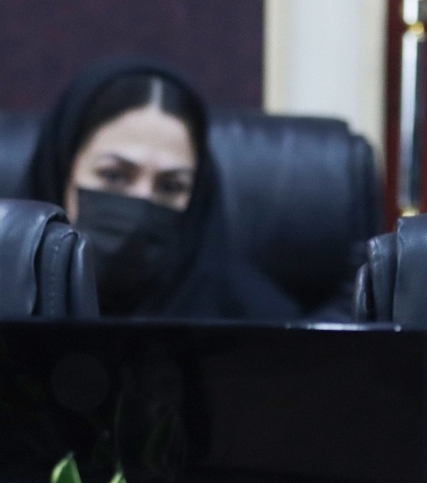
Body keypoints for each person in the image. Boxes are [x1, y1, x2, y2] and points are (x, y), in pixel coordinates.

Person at [23, 56, 297, 319]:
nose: (142, 200)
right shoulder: (11, 290)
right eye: (114, 175)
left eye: (170, 186)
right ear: (60, 171)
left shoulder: (252, 320)